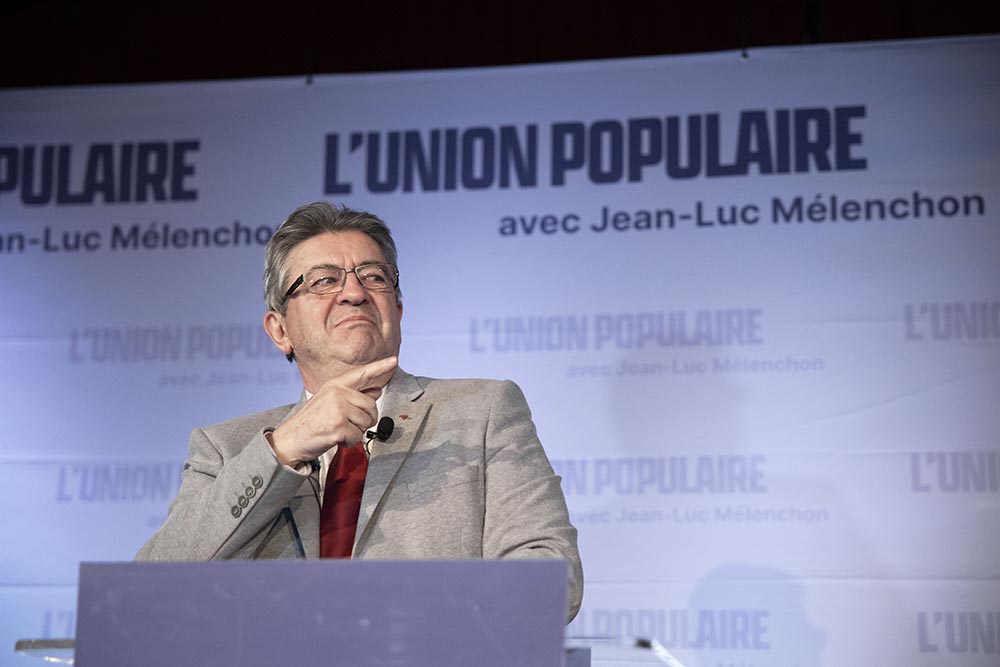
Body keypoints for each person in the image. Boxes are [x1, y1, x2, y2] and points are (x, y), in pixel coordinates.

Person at [136, 201, 583, 621]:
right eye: (324, 280)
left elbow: (549, 581)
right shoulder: (226, 448)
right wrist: (284, 448)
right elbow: (149, 593)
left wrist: (385, 628)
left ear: (398, 309)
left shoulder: (482, 411)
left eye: (373, 277)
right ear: (279, 330)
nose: (354, 292)